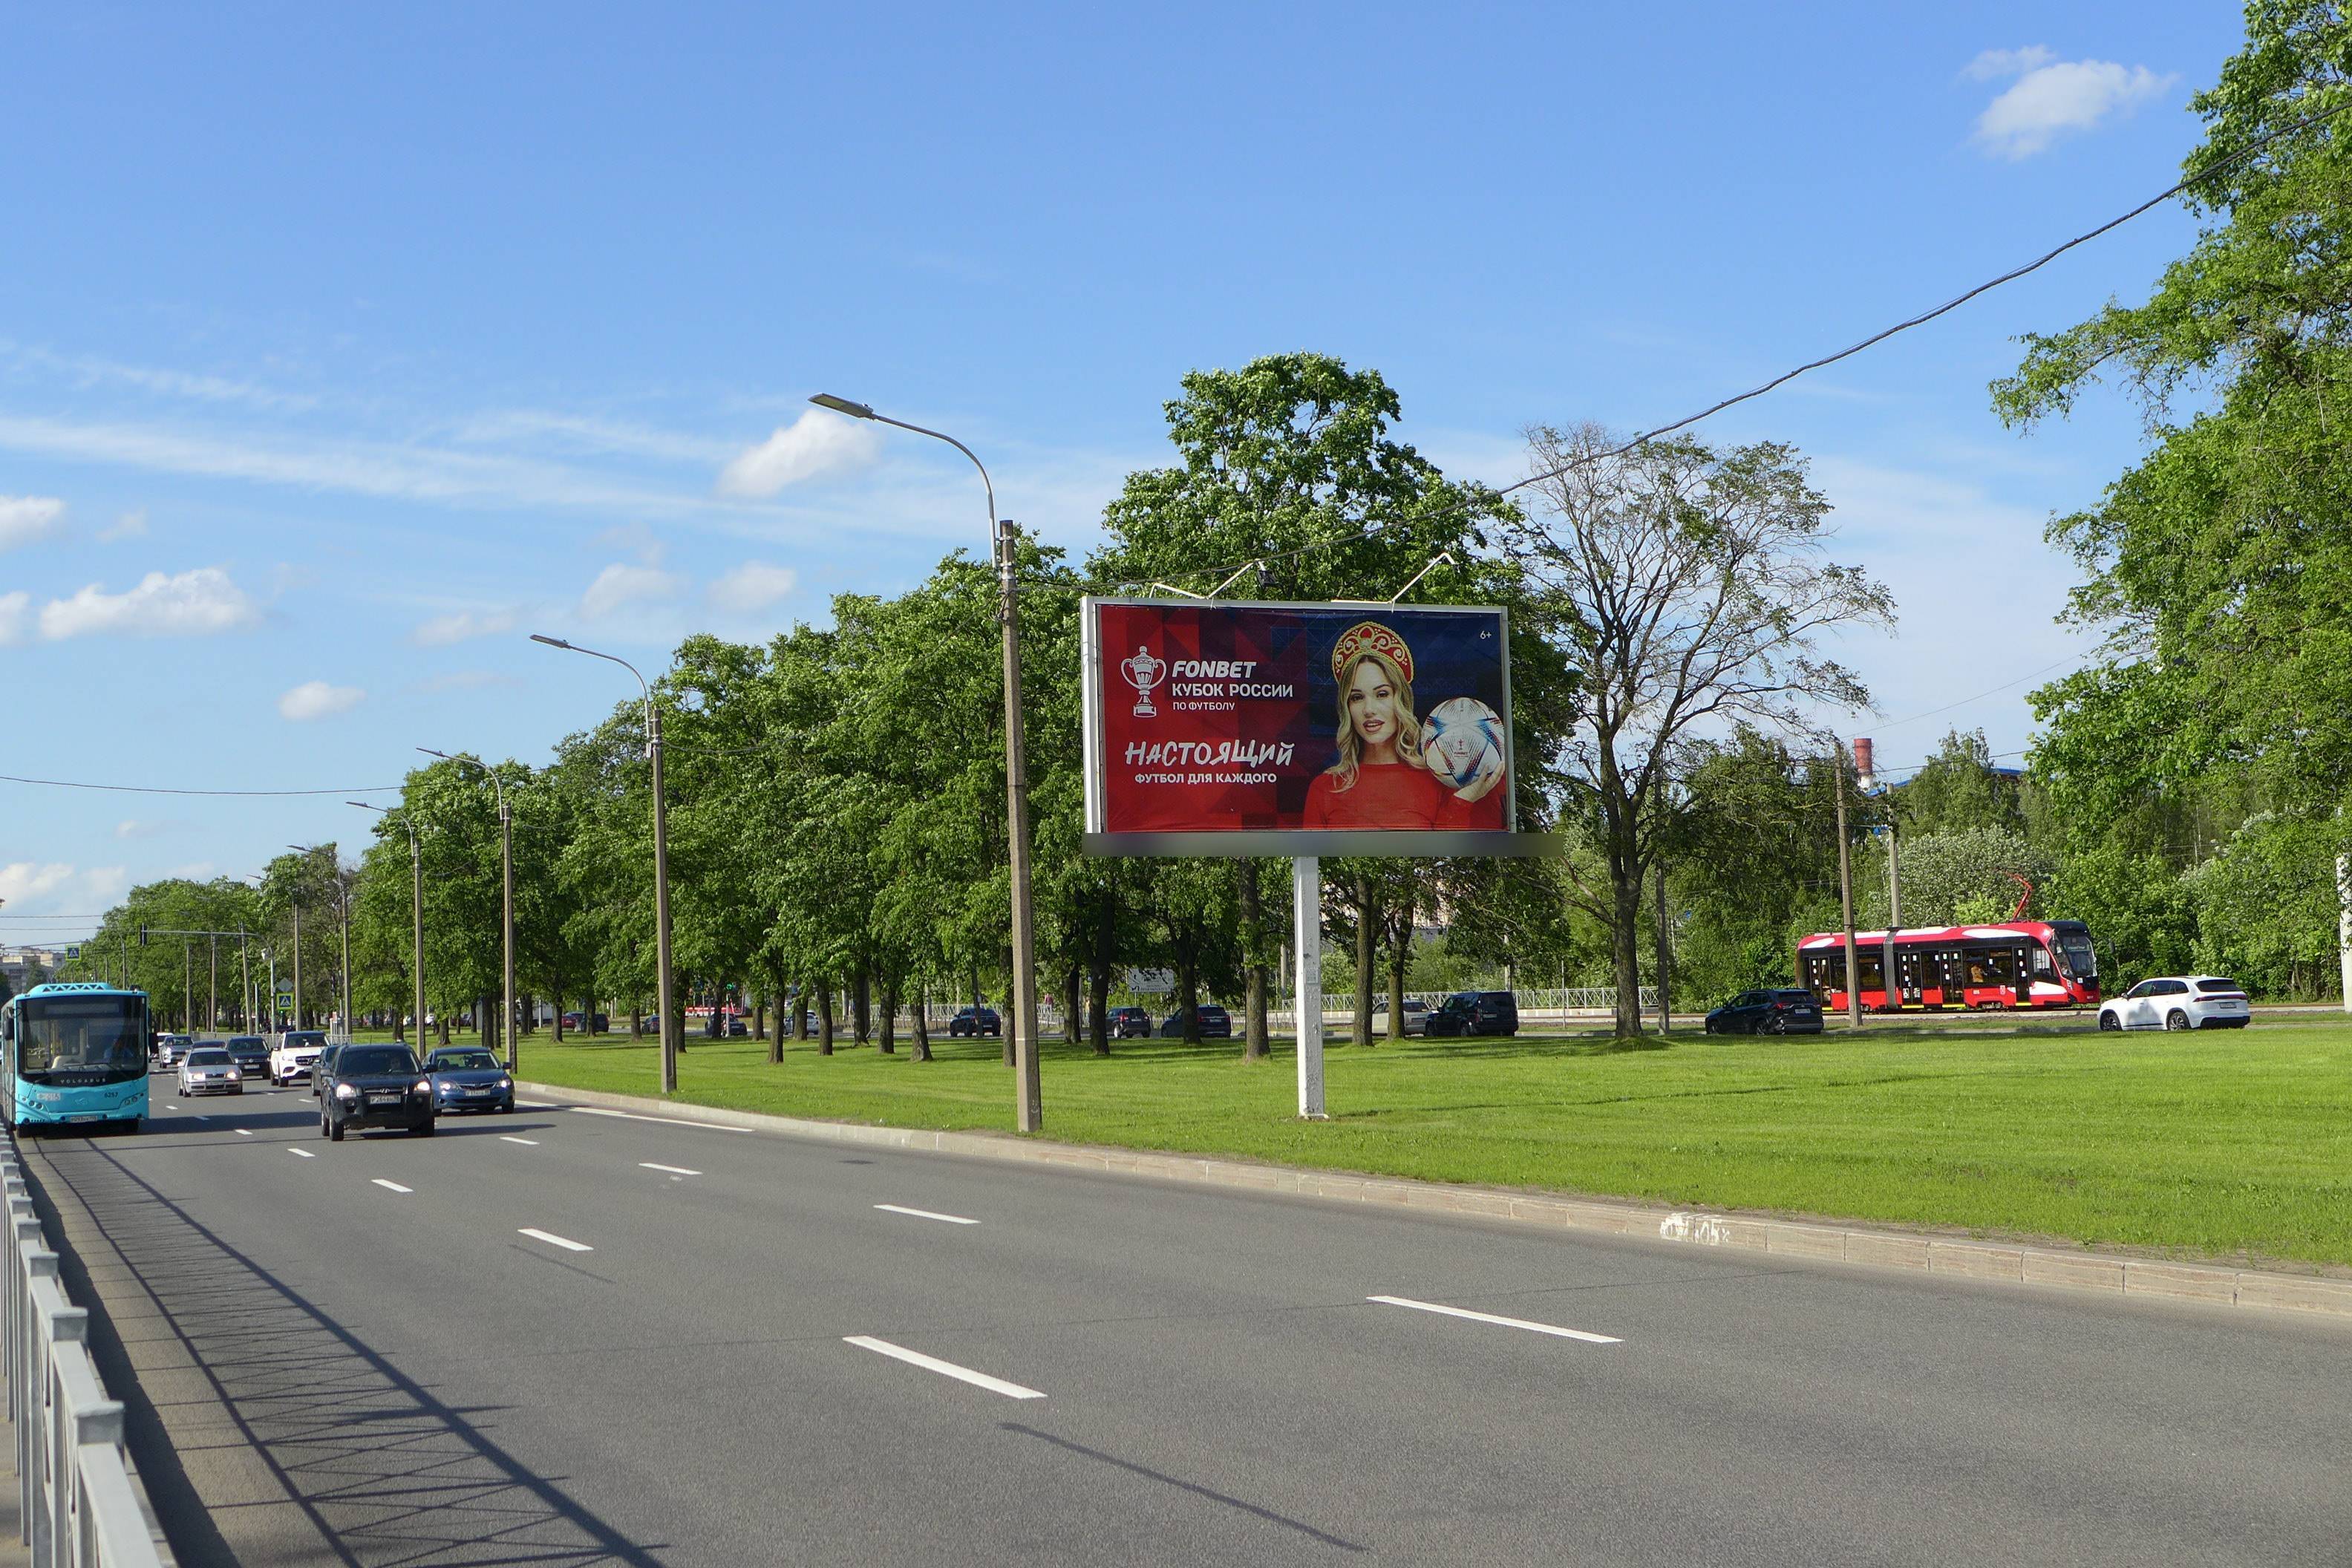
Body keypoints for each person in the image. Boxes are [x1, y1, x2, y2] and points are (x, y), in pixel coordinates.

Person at [1301, 624, 1448, 829]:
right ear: (1347, 708)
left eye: (1382, 694)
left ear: (1401, 701)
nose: (1369, 709)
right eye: (1357, 697)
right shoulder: (1325, 787)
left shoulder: (1436, 782)